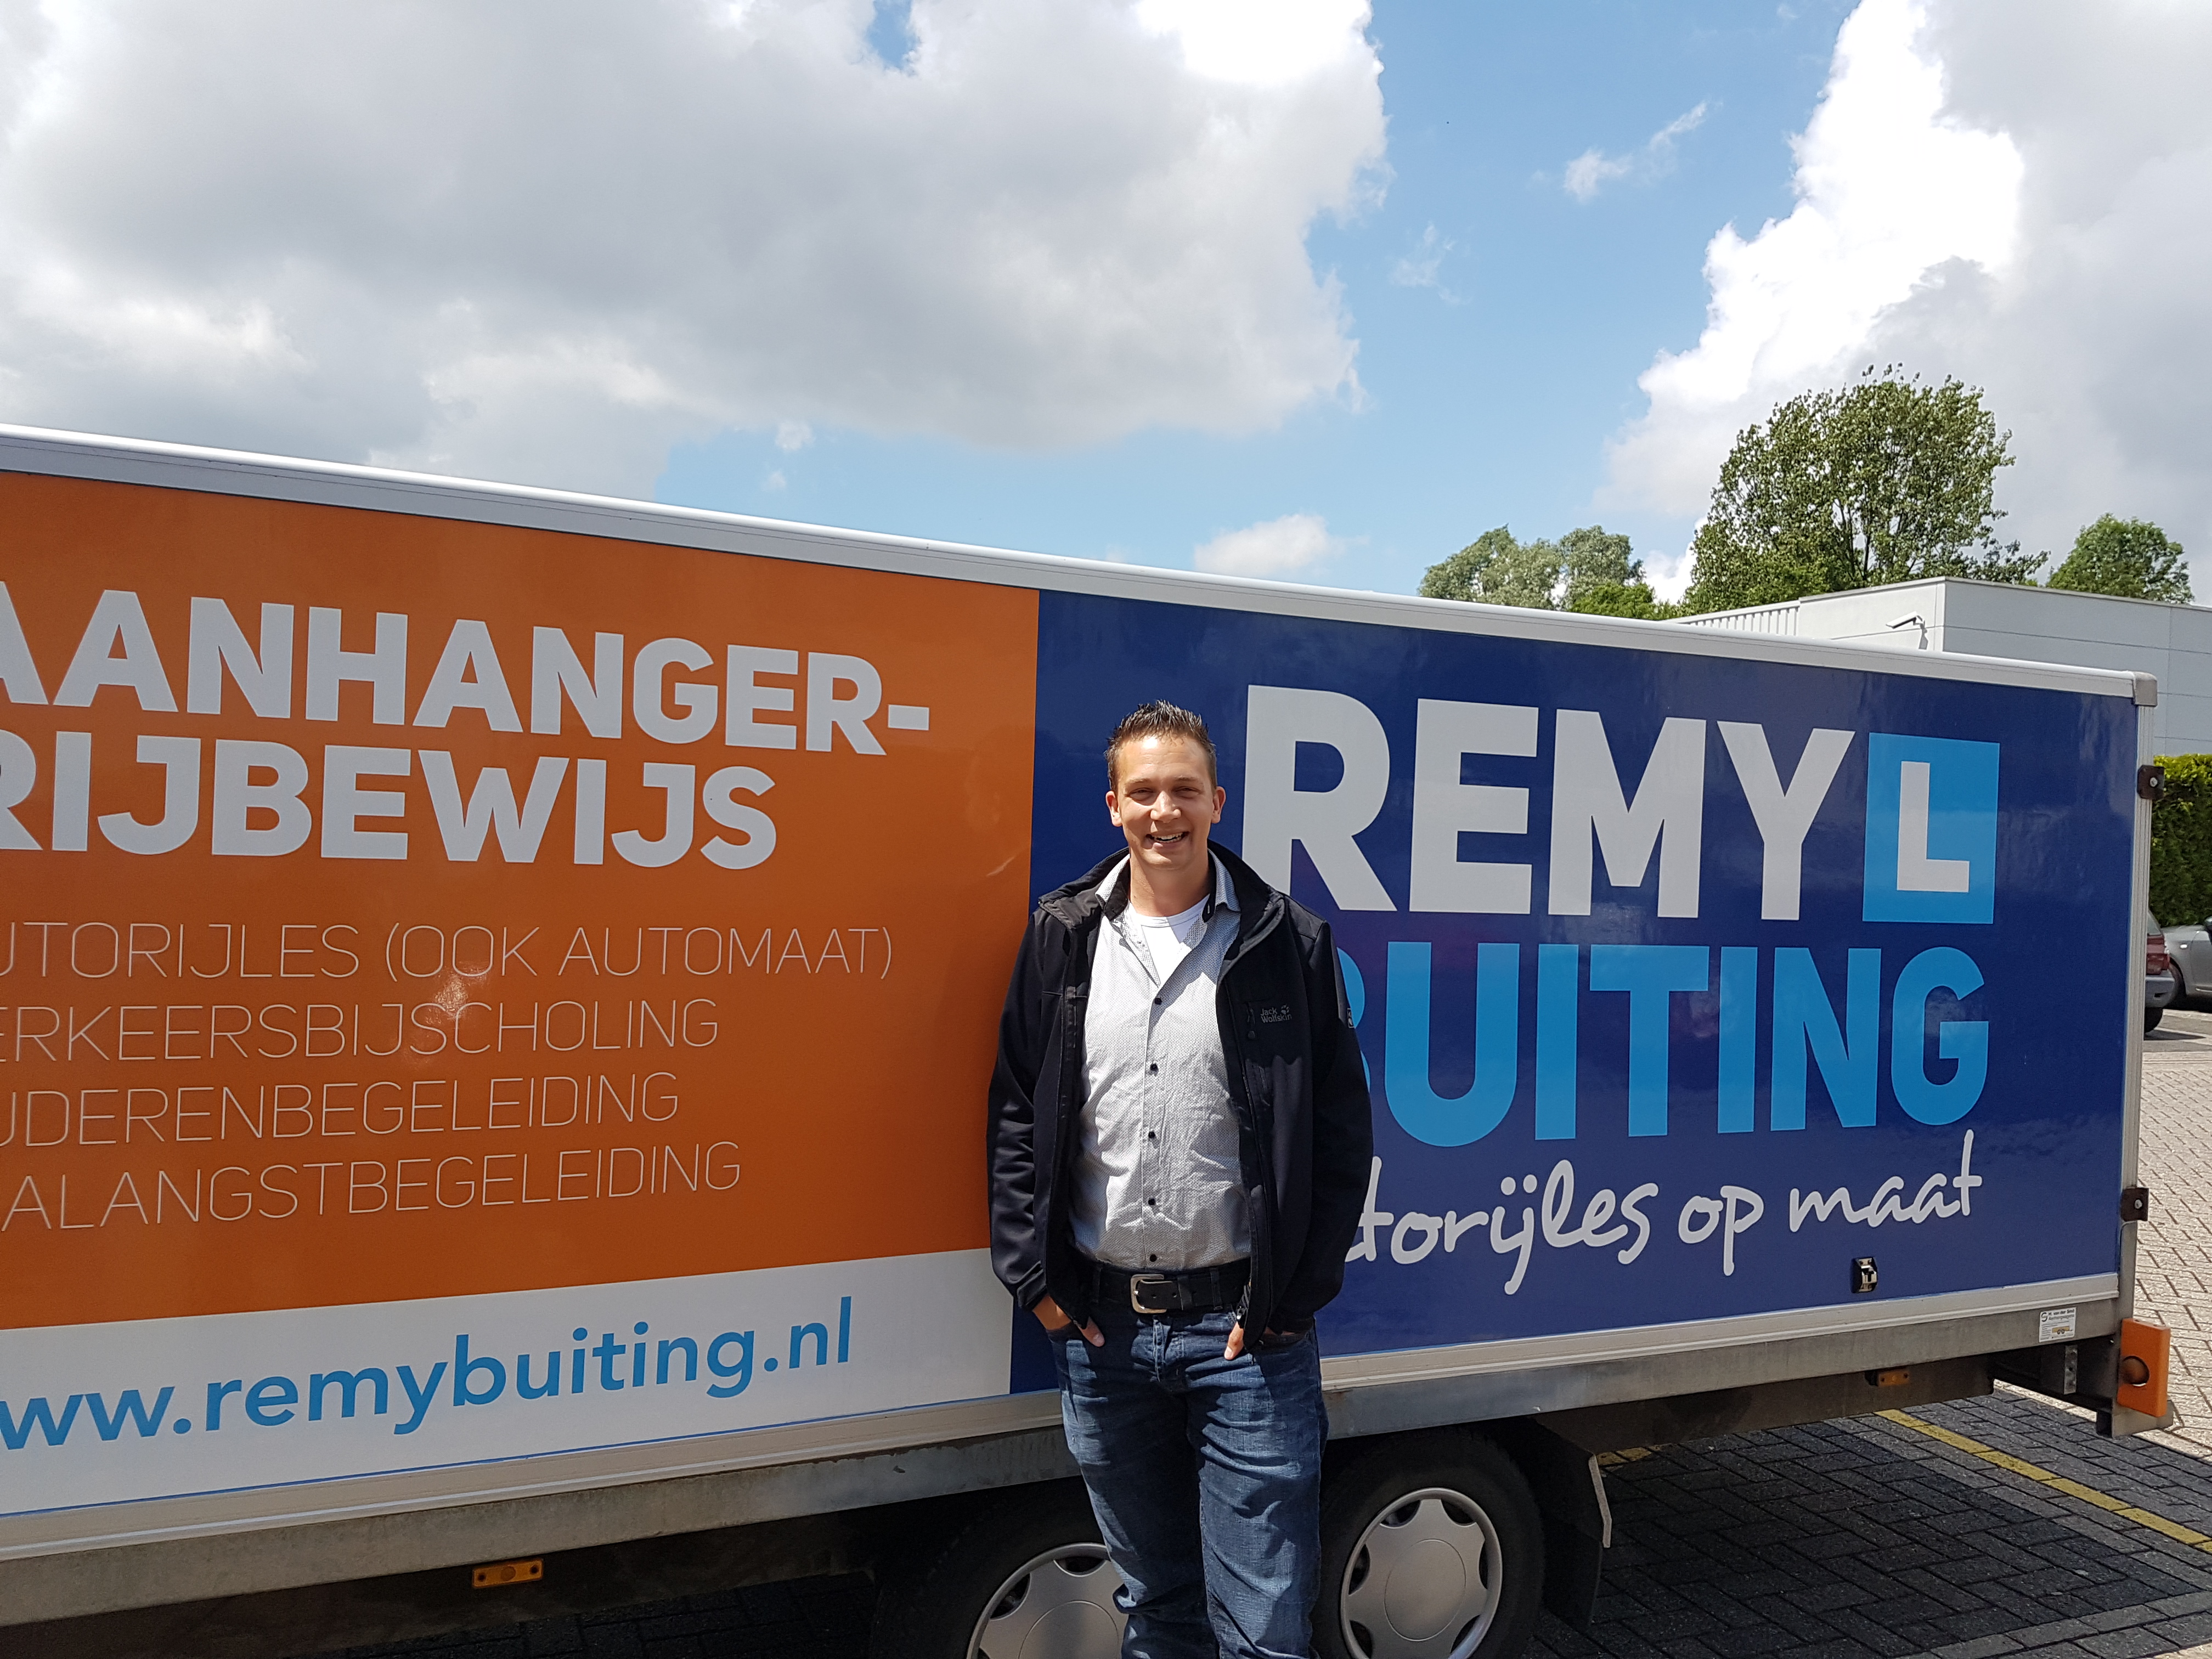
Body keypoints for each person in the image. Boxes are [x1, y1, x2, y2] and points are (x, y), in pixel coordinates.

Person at [988, 699, 1375, 1659]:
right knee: (1158, 1611)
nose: (1165, 811)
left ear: (1217, 802)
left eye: (1185, 791)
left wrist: (1291, 1300)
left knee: (1263, 1632)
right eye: (1145, 792)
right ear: (1114, 806)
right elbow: (1016, 1110)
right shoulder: (1065, 935)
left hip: (1247, 1339)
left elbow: (1339, 1134)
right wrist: (1034, 1282)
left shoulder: (1287, 941)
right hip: (1102, 1334)